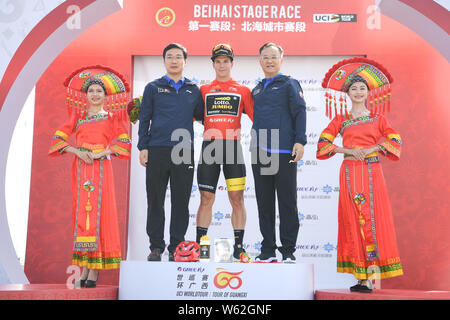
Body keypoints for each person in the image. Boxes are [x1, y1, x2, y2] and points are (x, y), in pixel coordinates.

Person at [317, 57, 403, 292]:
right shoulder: (341, 119)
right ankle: (360, 276)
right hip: (349, 172)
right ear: (347, 93)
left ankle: (372, 276)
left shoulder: (378, 119)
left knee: (373, 220)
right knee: (353, 220)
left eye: (362, 88)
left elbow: (395, 139)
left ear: (368, 93)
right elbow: (323, 143)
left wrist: (374, 148)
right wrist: (345, 150)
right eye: (353, 88)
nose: (357, 91)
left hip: (372, 171)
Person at [49, 66, 131, 288]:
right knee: (84, 217)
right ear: (86, 95)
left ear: (106, 96)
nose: (95, 94)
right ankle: (84, 267)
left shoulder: (113, 117)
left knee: (100, 216)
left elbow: (124, 143)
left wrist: (103, 152)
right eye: (91, 91)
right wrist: (77, 152)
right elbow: (58, 140)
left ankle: (94, 270)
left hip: (102, 169)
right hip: (81, 169)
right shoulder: (78, 117)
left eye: (99, 91)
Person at [138, 43, 204, 262]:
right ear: (164, 61)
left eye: (178, 57)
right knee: (155, 199)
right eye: (170, 57)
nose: (174, 60)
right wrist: (143, 146)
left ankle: (177, 246)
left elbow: (204, 116)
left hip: (184, 150)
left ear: (185, 61)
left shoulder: (194, 89)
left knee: (181, 200)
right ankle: (156, 246)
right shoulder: (152, 87)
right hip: (156, 148)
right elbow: (144, 118)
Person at [195, 44, 254, 260]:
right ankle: (200, 247)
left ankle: (239, 247)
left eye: (225, 61)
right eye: (217, 61)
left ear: (232, 63)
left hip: (232, 148)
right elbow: (184, 114)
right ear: (213, 64)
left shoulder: (243, 90)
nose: (222, 65)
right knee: (205, 198)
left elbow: (261, 118)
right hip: (209, 147)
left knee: (237, 199)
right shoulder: (203, 90)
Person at [251, 43, 307, 263]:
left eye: (274, 57)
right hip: (259, 151)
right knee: (264, 202)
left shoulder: (289, 84)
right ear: (260, 61)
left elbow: (300, 112)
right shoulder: (256, 89)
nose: (270, 61)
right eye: (265, 57)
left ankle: (288, 250)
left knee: (287, 201)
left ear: (281, 60)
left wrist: (300, 141)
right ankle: (267, 249)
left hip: (284, 149)